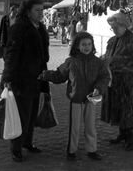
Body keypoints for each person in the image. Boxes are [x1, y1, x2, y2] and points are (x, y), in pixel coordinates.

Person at [38, 32, 111, 161]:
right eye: (83, 44)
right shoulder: (71, 62)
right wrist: (44, 75)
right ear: (77, 46)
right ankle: (71, 151)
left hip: (91, 99)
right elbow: (59, 76)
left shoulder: (98, 62)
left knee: (90, 126)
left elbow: (104, 77)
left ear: (92, 45)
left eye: (89, 44)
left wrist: (99, 89)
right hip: (76, 99)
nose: (87, 47)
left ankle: (92, 150)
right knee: (74, 127)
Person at [1, 0, 50, 162]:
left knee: (31, 115)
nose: (41, 13)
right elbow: (11, 54)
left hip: (37, 78)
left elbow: (43, 55)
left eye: (42, 10)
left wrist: (45, 75)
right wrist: (8, 77)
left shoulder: (40, 27)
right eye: (37, 10)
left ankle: (27, 142)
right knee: (21, 116)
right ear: (28, 11)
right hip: (22, 79)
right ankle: (16, 148)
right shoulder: (19, 28)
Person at [101, 12, 133, 151]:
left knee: (128, 109)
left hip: (129, 82)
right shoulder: (113, 40)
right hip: (114, 80)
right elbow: (108, 55)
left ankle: (131, 138)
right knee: (118, 107)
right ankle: (122, 134)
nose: (113, 30)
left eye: (115, 27)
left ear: (123, 25)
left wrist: (112, 62)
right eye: (112, 28)